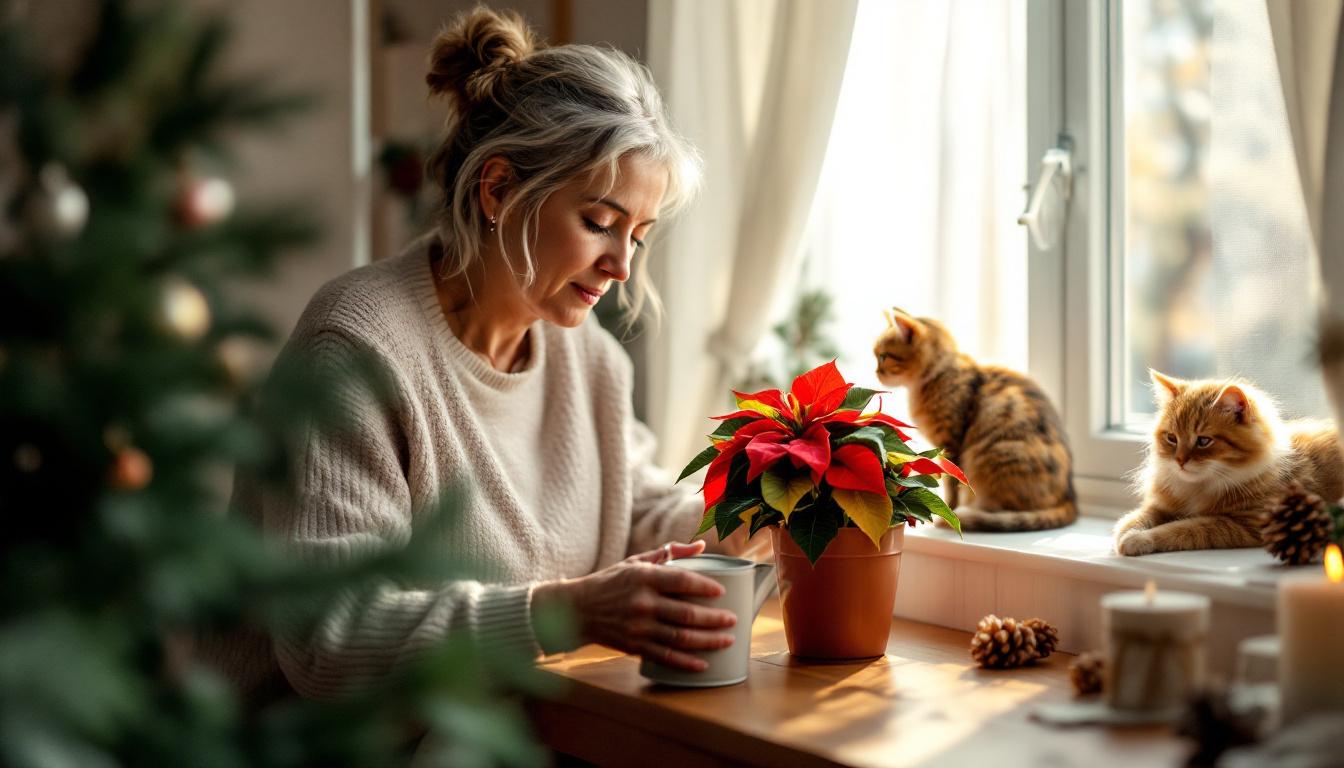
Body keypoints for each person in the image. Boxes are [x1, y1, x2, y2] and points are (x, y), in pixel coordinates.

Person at [212, 7, 744, 702]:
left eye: (637, 235)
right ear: (498, 190)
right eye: (599, 224)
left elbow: (637, 509)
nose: (620, 265)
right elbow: (331, 639)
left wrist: (763, 506)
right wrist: (571, 611)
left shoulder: (591, 362)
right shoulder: (356, 347)